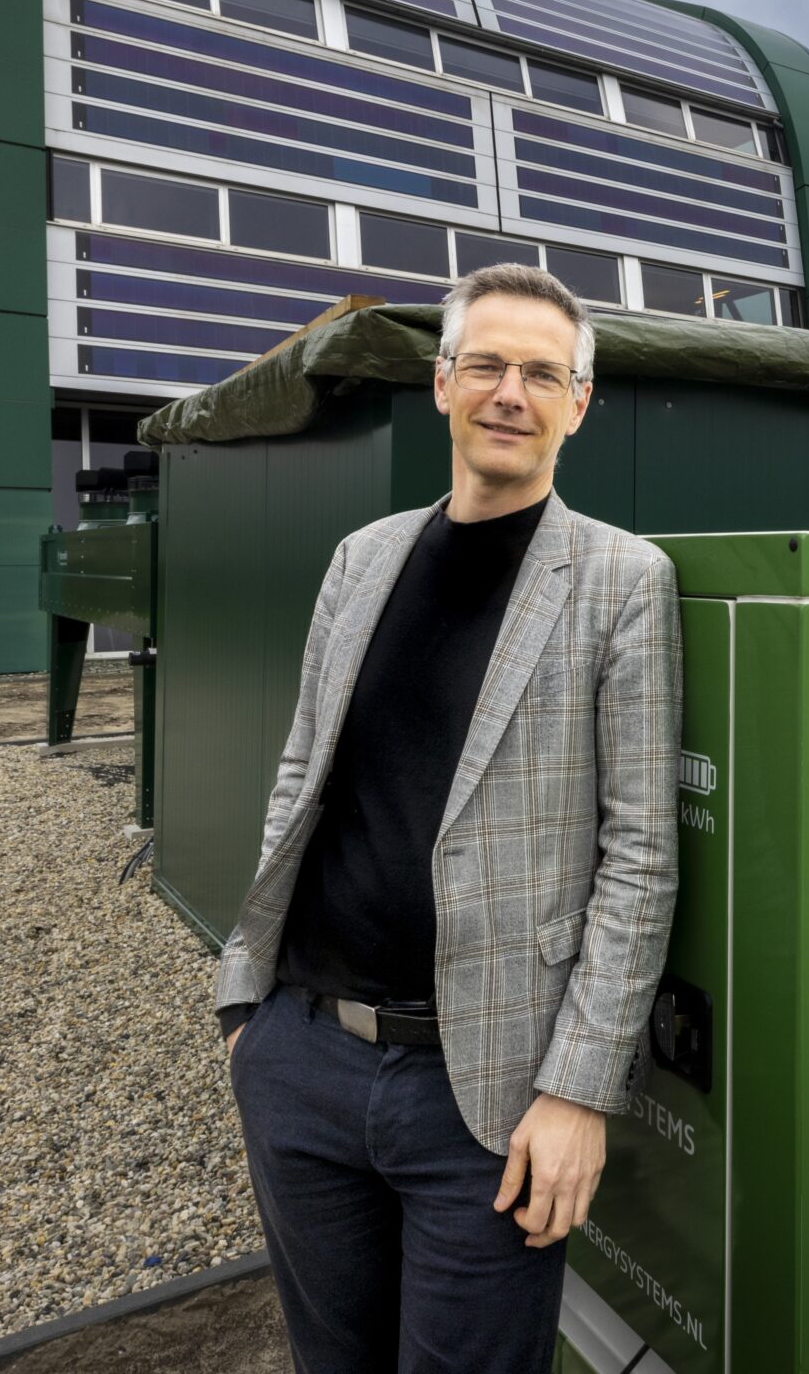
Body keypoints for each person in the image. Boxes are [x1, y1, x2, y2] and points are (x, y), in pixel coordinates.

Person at [212, 264, 681, 1372]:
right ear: (441, 385)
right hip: (303, 1059)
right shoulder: (361, 560)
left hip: (486, 1096)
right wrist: (247, 1001)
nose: (509, 392)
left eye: (540, 373)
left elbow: (641, 858)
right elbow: (300, 774)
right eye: (487, 365)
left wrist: (575, 1091)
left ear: (577, 404)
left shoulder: (622, 581)